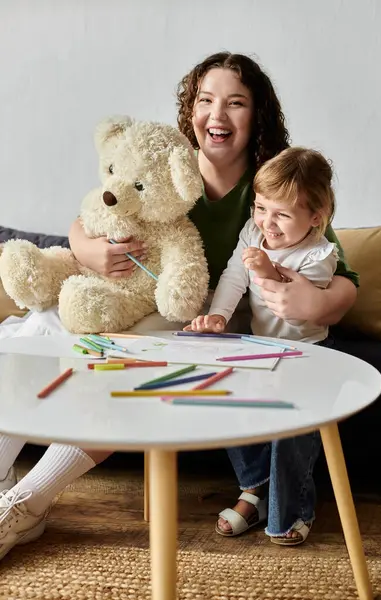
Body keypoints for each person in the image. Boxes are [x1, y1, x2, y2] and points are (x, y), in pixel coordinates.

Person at [0, 52, 358, 560]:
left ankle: (25, 504)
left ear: (256, 116)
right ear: (189, 109)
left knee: (120, 366)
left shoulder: (273, 186)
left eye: (235, 103)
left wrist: (317, 303)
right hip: (127, 298)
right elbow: (96, 208)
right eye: (205, 100)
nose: (217, 114)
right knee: (38, 327)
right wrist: (85, 248)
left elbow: (342, 276)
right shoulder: (164, 162)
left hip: (205, 316)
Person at [186, 146, 338, 543]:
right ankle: (255, 486)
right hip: (259, 348)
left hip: (304, 354)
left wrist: (268, 269)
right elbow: (235, 275)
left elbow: (293, 312)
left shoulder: (320, 255)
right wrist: (218, 316)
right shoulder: (253, 232)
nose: (267, 223)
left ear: (315, 218)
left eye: (282, 214)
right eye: (261, 208)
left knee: (291, 434)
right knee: (220, 394)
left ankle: (293, 511)